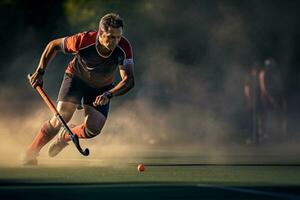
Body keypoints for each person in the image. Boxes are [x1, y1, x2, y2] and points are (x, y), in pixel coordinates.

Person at [22, 13, 135, 165]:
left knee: (93, 129)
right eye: (111, 37)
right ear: (101, 34)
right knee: (63, 116)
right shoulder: (83, 40)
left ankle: (65, 136)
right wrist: (40, 72)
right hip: (76, 79)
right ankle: (32, 152)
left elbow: (128, 80)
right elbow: (53, 45)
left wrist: (109, 94)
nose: (116, 41)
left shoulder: (124, 47)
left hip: (101, 88)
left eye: (119, 37)